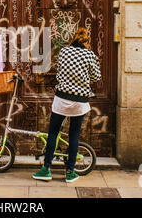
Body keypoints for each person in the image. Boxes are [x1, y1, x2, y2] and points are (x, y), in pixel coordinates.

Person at [32, 27, 101, 182]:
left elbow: (60, 70)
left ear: (74, 39)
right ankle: (70, 172)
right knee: (74, 136)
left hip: (62, 99)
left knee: (53, 133)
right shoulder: (90, 55)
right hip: (80, 101)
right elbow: (96, 77)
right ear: (86, 41)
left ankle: (46, 169)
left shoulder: (64, 51)